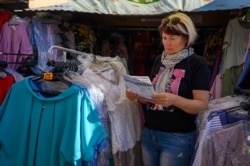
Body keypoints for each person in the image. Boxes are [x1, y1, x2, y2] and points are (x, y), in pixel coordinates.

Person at [126, 12, 210, 166]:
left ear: (186, 38)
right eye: (164, 38)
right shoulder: (159, 60)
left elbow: (202, 104)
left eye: (173, 38)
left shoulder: (198, 63)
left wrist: (175, 100)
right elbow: (153, 98)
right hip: (149, 133)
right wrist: (138, 95)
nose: (167, 43)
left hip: (177, 137)